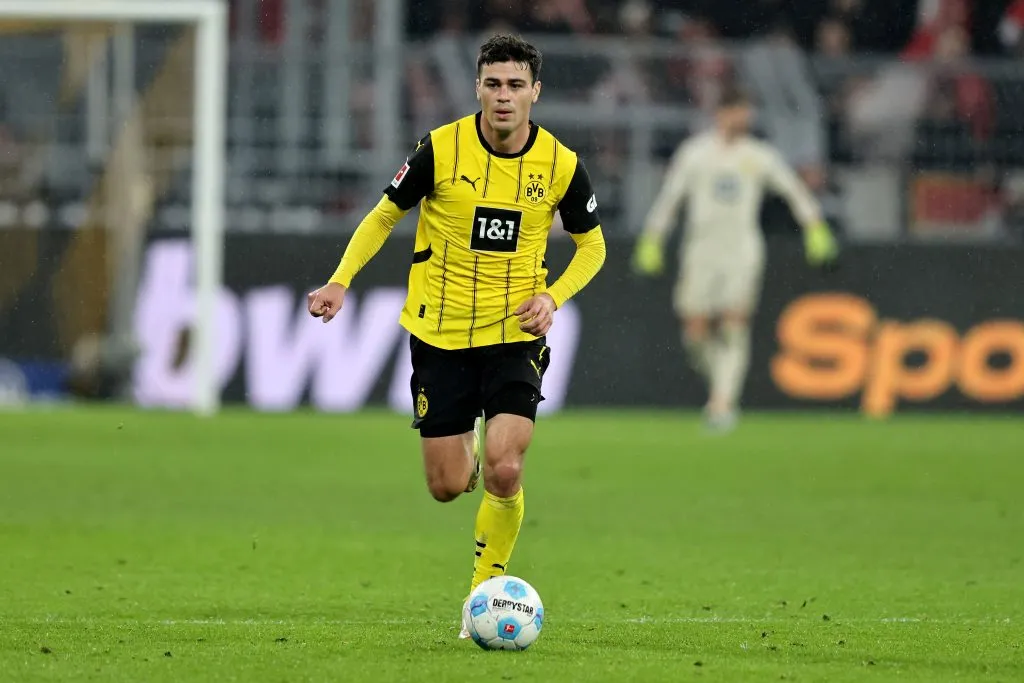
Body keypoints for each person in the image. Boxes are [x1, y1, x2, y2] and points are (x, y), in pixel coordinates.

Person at [306, 34, 606, 637]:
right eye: (493, 84)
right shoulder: (440, 150)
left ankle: (484, 591)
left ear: (535, 92)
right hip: (438, 333)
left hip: (512, 333)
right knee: (447, 486)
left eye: (515, 85)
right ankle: (468, 458)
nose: (504, 96)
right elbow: (385, 214)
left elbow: (592, 245)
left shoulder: (561, 165)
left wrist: (552, 298)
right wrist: (340, 282)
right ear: (477, 88)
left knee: (505, 466)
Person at [632, 86, 837, 431]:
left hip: (741, 250)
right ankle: (720, 388)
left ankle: (722, 403)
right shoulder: (695, 153)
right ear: (721, 113)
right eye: (739, 110)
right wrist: (653, 238)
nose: (745, 118)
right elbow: (671, 198)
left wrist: (815, 227)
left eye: (748, 111)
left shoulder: (759, 155)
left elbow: (793, 190)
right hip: (700, 250)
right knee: (695, 332)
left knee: (733, 324)